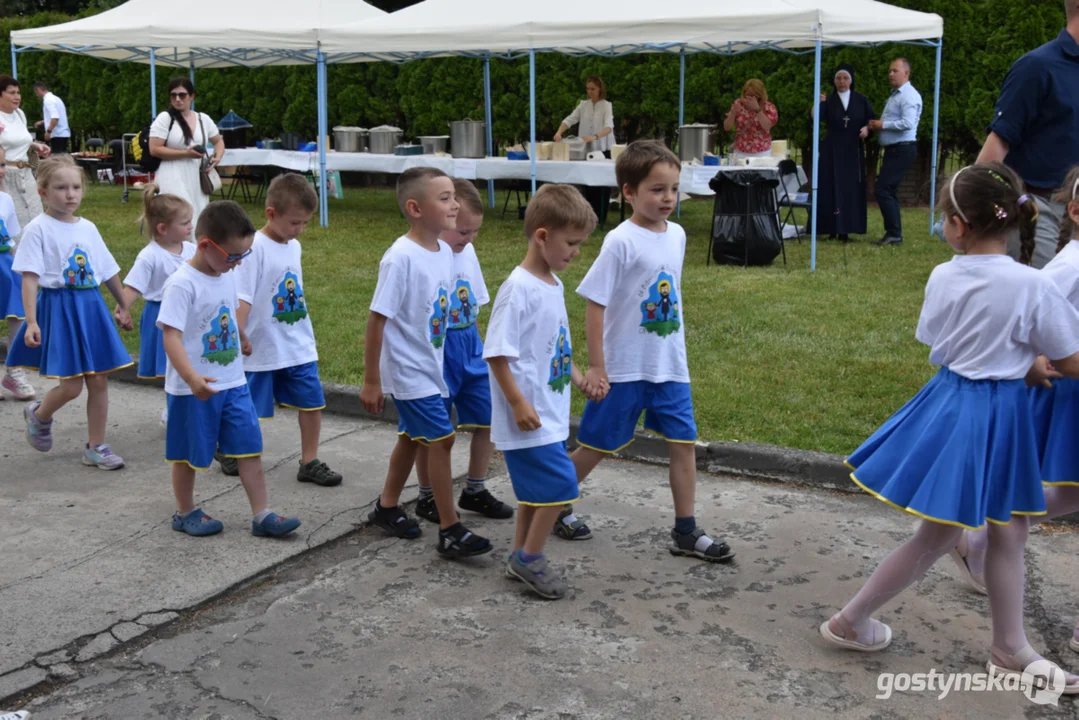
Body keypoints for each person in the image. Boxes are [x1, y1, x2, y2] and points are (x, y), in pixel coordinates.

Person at [821, 163, 1079, 693]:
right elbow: (1069, 359)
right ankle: (853, 619)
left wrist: (1017, 357)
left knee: (995, 529)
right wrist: (1030, 360)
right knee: (959, 533)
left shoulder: (943, 275)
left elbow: (940, 343)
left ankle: (1006, 645)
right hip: (997, 414)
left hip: (951, 403)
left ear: (959, 225)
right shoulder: (1031, 283)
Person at [561, 140, 735, 563]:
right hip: (623, 368)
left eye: (673, 189)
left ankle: (686, 531)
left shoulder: (677, 235)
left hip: (669, 366)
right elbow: (595, 303)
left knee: (683, 442)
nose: (668, 198)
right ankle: (552, 503)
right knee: (598, 444)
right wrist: (598, 366)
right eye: (657, 190)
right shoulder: (620, 241)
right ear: (628, 192)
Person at [950, 167, 1079, 640]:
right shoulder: (1068, 265)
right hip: (1064, 391)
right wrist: (1039, 360)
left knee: (1068, 494)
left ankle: (980, 535)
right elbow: (1036, 322)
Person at [360, 167, 492, 559]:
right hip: (408, 369)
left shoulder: (442, 253)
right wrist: (371, 380)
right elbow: (376, 319)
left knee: (411, 439)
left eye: (454, 196)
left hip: (431, 365)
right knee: (442, 438)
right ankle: (450, 529)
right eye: (446, 198)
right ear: (416, 208)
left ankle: (386, 507)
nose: (455, 205)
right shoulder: (400, 258)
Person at [158, 200, 302, 539]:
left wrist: (240, 335)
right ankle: (185, 511)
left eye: (243, 257)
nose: (237, 265)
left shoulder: (223, 273)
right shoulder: (182, 283)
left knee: (249, 447)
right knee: (188, 455)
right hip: (194, 388)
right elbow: (171, 338)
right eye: (233, 256)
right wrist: (192, 378)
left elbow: (224, 311)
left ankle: (262, 514)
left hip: (234, 382)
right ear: (206, 245)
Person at [484, 184, 601, 599]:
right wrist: (517, 402)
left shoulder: (552, 284)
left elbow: (556, 347)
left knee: (535, 497)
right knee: (561, 486)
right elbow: (496, 353)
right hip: (529, 415)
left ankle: (519, 553)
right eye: (571, 243)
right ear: (542, 236)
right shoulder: (518, 289)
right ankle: (529, 559)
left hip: (548, 411)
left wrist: (579, 376)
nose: (576, 252)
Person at [6, 156, 133, 470]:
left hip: (90, 308)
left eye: (75, 187)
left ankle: (96, 446)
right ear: (43, 193)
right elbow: (29, 278)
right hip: (59, 309)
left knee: (100, 380)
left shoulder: (88, 228)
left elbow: (107, 270)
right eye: (61, 188)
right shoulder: (38, 229)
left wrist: (123, 304)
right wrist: (32, 321)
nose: (70, 194)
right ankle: (39, 415)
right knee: (72, 386)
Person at [224, 173, 343, 487]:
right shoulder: (254, 249)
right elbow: (244, 296)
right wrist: (239, 333)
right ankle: (232, 449)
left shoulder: (294, 247)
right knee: (246, 407)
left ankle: (309, 460)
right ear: (271, 214)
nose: (300, 230)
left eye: (305, 223)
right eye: (295, 223)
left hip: (296, 342)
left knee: (312, 401)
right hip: (260, 345)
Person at [414, 179, 513, 524]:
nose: (469, 239)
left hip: (470, 345)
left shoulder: (466, 252)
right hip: (438, 351)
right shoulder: (427, 256)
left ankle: (475, 487)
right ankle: (427, 496)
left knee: (488, 418)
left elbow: (475, 304)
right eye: (463, 231)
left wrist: (482, 349)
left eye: (474, 232)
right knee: (434, 431)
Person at [974, 2, 1079, 269]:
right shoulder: (1037, 67)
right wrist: (974, 214)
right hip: (1039, 210)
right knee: (1048, 298)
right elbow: (996, 146)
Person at [118, 184, 195, 427]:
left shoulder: (192, 250)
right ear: (163, 228)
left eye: (190, 221)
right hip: (161, 317)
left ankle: (188, 404)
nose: (191, 226)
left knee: (190, 362)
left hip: (189, 316)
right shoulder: (150, 256)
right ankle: (173, 410)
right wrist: (123, 309)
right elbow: (133, 287)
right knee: (171, 367)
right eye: (185, 223)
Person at [148, 78, 224, 238]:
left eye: (182, 95)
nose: (177, 99)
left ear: (191, 96)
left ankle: (195, 255)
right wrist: (185, 153)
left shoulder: (203, 119)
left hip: (197, 176)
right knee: (177, 216)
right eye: (173, 95)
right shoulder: (165, 118)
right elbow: (154, 149)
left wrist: (217, 157)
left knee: (198, 216)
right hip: (171, 173)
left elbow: (218, 141)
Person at [815, 66, 876, 241]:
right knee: (831, 186)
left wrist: (866, 129)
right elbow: (815, 118)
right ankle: (831, 227)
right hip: (832, 150)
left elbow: (871, 121)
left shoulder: (861, 100)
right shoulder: (829, 101)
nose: (842, 82)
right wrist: (818, 104)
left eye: (845, 78)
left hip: (852, 149)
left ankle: (847, 228)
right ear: (834, 81)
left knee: (849, 188)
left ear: (851, 80)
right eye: (838, 78)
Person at [868, 58, 923, 247]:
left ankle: (894, 233)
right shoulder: (896, 95)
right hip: (895, 149)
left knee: (883, 189)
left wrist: (883, 125)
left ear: (906, 73)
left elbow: (908, 123)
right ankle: (894, 232)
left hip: (903, 148)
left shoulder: (909, 96)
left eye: (895, 71)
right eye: (889, 71)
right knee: (888, 189)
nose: (890, 74)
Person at [554, 75, 615, 229]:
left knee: (602, 185)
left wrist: (594, 137)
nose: (590, 92)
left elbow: (609, 127)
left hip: (602, 149)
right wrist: (559, 132)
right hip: (585, 151)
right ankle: (589, 217)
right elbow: (570, 119)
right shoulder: (583, 105)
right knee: (588, 183)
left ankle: (601, 217)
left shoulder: (606, 105)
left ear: (600, 89)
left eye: (593, 89)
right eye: (588, 89)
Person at [0, 146, 35, 401]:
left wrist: (18, 272)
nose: (1, 172)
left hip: (4, 265)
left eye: (2, 165)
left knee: (18, 316)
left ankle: (14, 370)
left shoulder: (6, 200)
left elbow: (10, 238)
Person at [0, 75, 50, 232]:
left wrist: (35, 146)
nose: (17, 97)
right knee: (13, 223)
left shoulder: (20, 114)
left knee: (35, 219)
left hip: (27, 174)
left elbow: (20, 140)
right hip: (5, 176)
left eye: (18, 92)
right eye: (11, 92)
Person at [723, 79, 779, 159]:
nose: (749, 98)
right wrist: (733, 113)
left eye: (753, 96)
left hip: (762, 153)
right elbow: (726, 127)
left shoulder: (768, 107)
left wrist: (757, 109)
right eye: (747, 95)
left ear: (760, 95)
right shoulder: (739, 104)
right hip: (740, 152)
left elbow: (767, 126)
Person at [32, 82, 70, 155]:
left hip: (57, 134)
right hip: (63, 133)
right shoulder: (56, 98)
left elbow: (55, 118)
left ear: (38, 90)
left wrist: (48, 132)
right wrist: (42, 122)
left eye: (36, 92)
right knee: (62, 157)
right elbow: (57, 115)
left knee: (58, 159)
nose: (37, 95)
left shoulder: (48, 100)